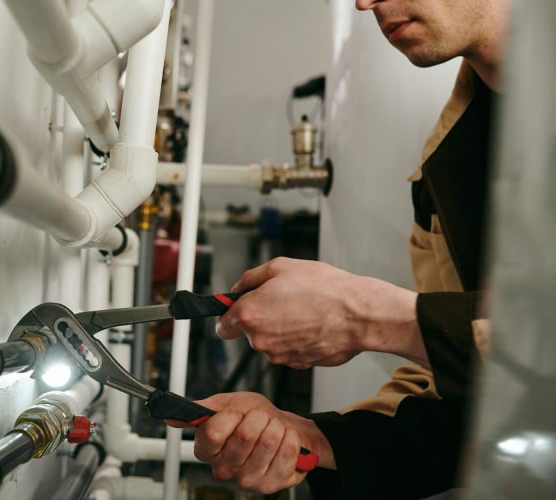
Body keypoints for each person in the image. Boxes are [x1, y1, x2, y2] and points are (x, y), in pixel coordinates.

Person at [168, 0, 510, 497]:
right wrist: (306, 437)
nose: (363, 2)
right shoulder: (446, 166)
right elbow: (461, 395)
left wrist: (365, 315)